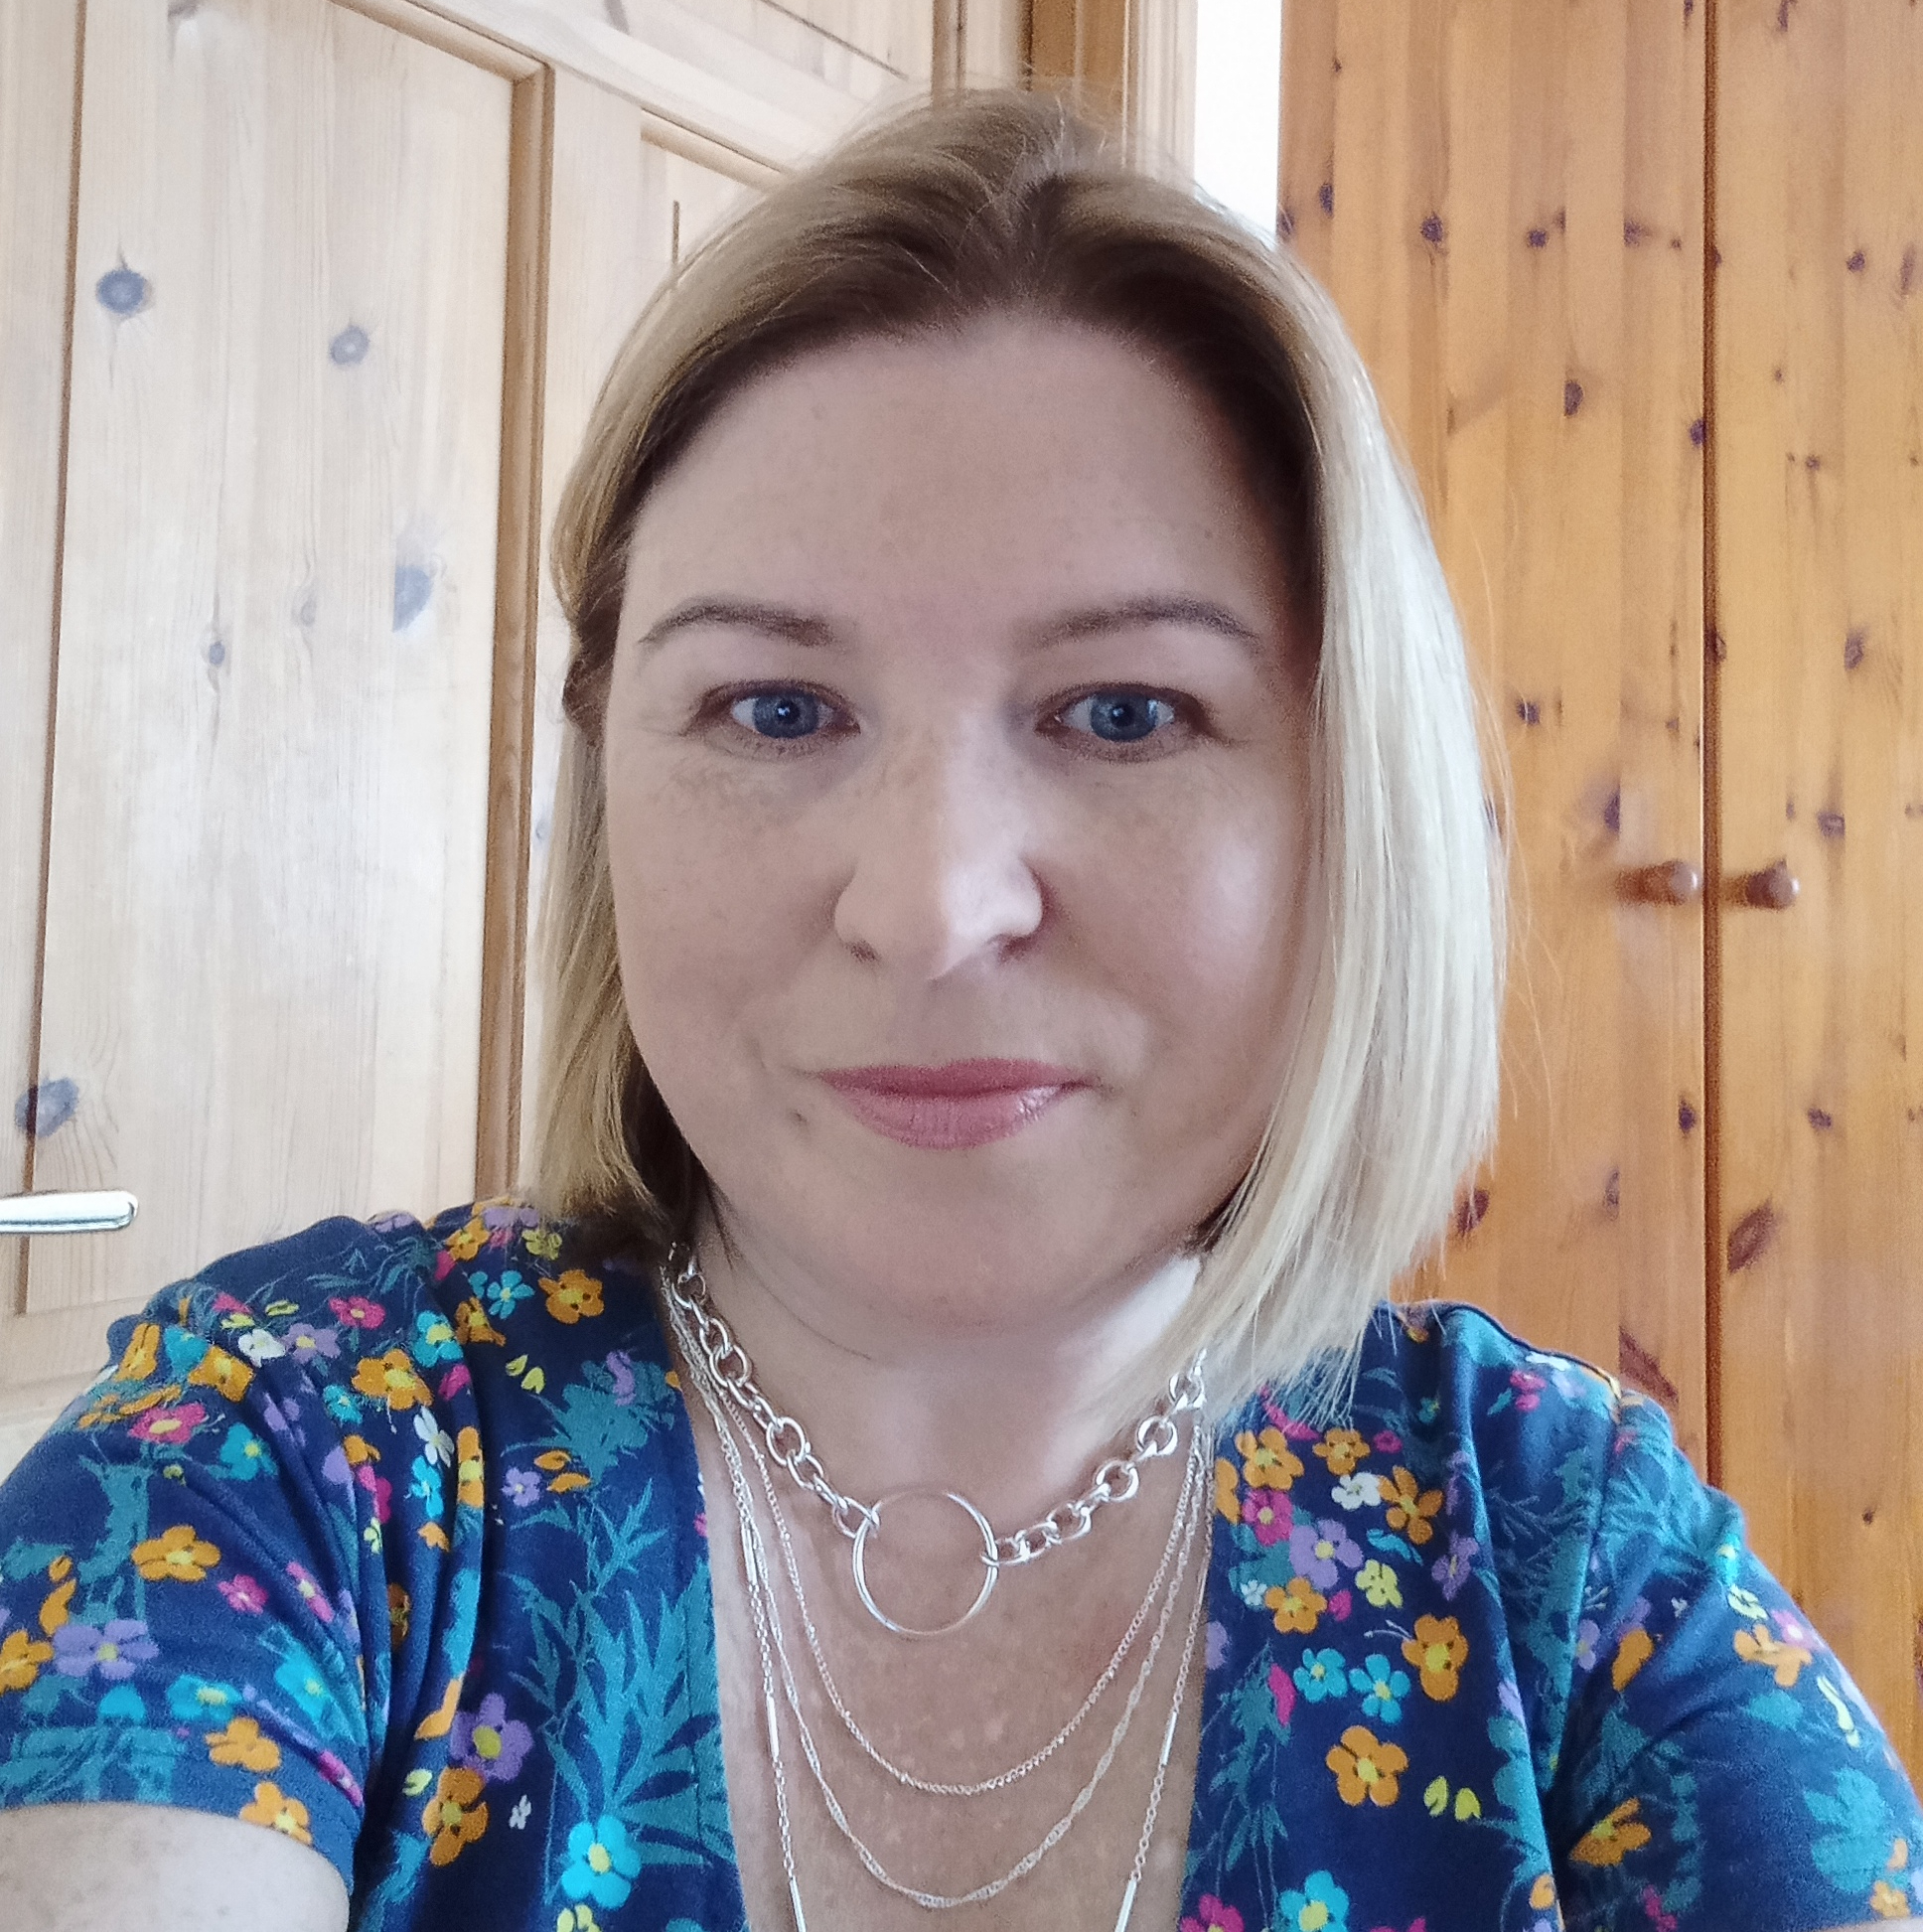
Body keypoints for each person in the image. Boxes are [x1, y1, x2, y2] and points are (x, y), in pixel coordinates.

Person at [0, 89, 1915, 1932]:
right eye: (774, 709)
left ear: (1350, 799)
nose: (928, 908)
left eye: (1125, 713)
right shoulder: (279, 1460)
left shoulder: (1573, 1568)